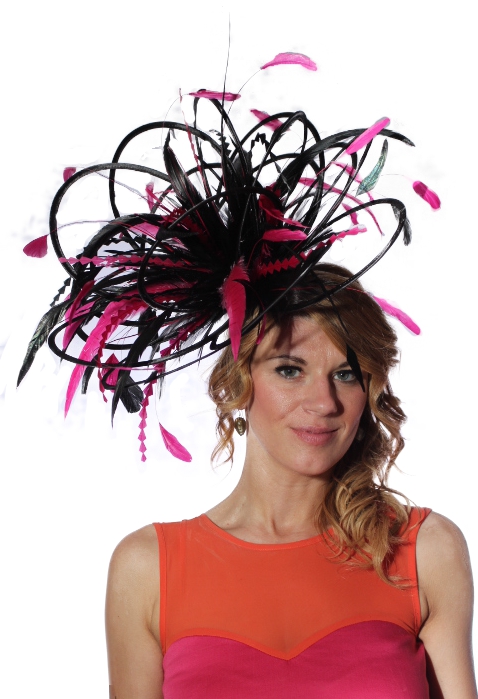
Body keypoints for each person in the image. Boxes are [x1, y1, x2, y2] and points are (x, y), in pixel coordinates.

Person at [17, 54, 476, 697]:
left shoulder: (424, 552)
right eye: (290, 369)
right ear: (237, 382)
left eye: (347, 374)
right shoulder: (148, 571)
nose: (324, 401)